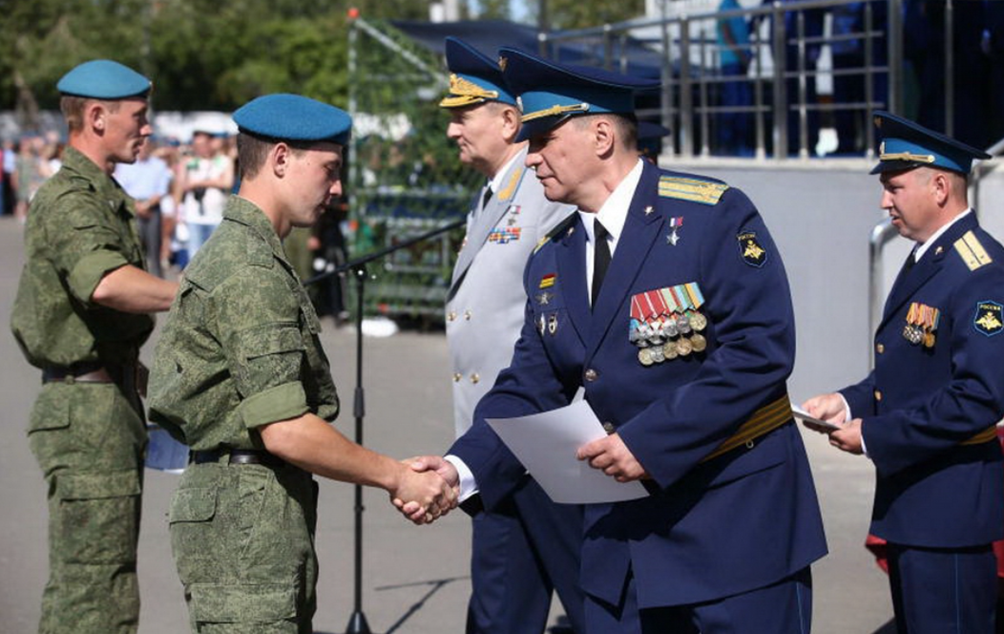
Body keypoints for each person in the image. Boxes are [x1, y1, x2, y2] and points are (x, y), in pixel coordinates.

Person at [409, 48, 827, 633]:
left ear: (601, 135)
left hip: (733, 532)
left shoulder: (711, 217)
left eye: (542, 139)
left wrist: (648, 442)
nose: (529, 159)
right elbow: (530, 385)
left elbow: (759, 351)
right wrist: (461, 468)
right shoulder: (551, 258)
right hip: (622, 545)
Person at [146, 93, 456, 633]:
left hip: (248, 511)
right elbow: (285, 429)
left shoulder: (250, 254)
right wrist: (395, 476)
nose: (338, 190)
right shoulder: (251, 270)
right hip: (245, 523)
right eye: (330, 170)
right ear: (281, 159)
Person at [802, 111, 1004, 633]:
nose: (882, 201)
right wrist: (848, 403)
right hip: (917, 507)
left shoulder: (980, 273)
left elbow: (979, 396)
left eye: (893, 187)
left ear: (939, 186)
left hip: (950, 515)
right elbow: (908, 373)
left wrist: (874, 433)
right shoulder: (928, 259)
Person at [9, 59, 179, 634]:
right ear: (97, 117)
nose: (148, 128)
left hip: (108, 401)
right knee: (93, 589)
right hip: (87, 412)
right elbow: (106, 282)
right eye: (139, 117)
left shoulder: (100, 193)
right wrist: (195, 295)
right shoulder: (71, 198)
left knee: (103, 578)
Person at [438, 37, 584, 634]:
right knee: (501, 608)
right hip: (492, 441)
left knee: (594, 600)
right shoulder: (492, 194)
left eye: (462, 116)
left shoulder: (546, 188)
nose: (452, 132)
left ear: (508, 119)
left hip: (550, 436)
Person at [115, 138, 173, 277]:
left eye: (145, 145)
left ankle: (157, 282)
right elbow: (121, 188)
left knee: (154, 250)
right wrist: (137, 207)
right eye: (139, 145)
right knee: (134, 250)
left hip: (152, 209)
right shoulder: (125, 165)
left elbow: (161, 190)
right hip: (132, 207)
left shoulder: (159, 165)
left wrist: (146, 206)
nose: (142, 149)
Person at [178, 129, 233, 258]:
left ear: (211, 143)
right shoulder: (190, 162)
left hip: (217, 217)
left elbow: (227, 183)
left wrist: (198, 183)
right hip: (194, 217)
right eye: (196, 145)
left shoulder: (224, 161)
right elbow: (183, 185)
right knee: (195, 256)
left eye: (203, 144)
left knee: (216, 256)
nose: (200, 148)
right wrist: (182, 165)